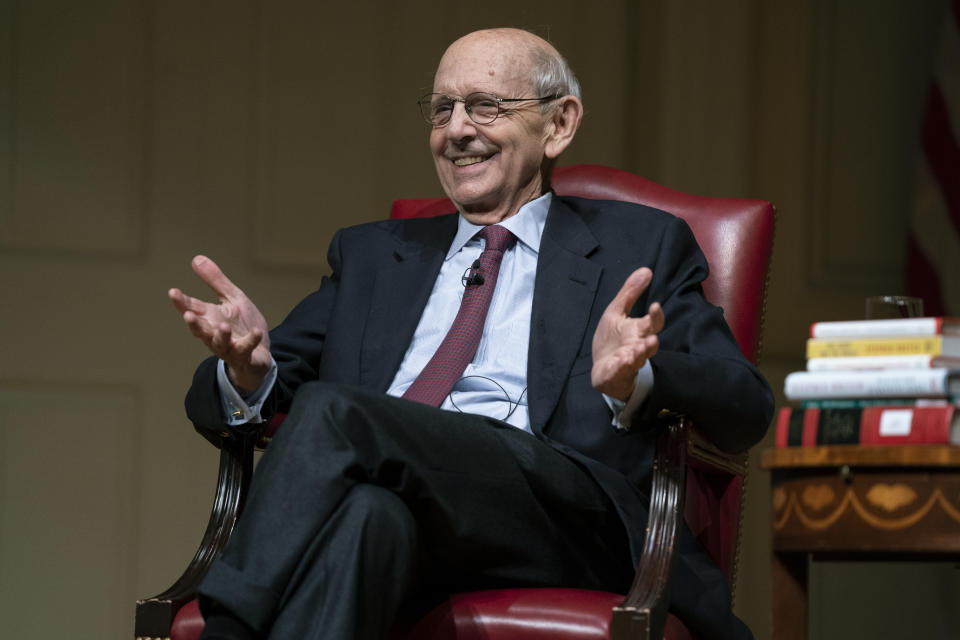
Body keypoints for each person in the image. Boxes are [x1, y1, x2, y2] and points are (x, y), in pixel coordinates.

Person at [169, 27, 773, 640]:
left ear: (559, 124)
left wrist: (638, 377)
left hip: (563, 519)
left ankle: (230, 629)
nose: (456, 129)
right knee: (368, 519)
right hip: (423, 513)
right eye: (442, 109)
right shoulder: (374, 257)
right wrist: (245, 370)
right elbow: (238, 389)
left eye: (486, 106)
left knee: (332, 411)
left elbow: (745, 405)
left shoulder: (640, 246)